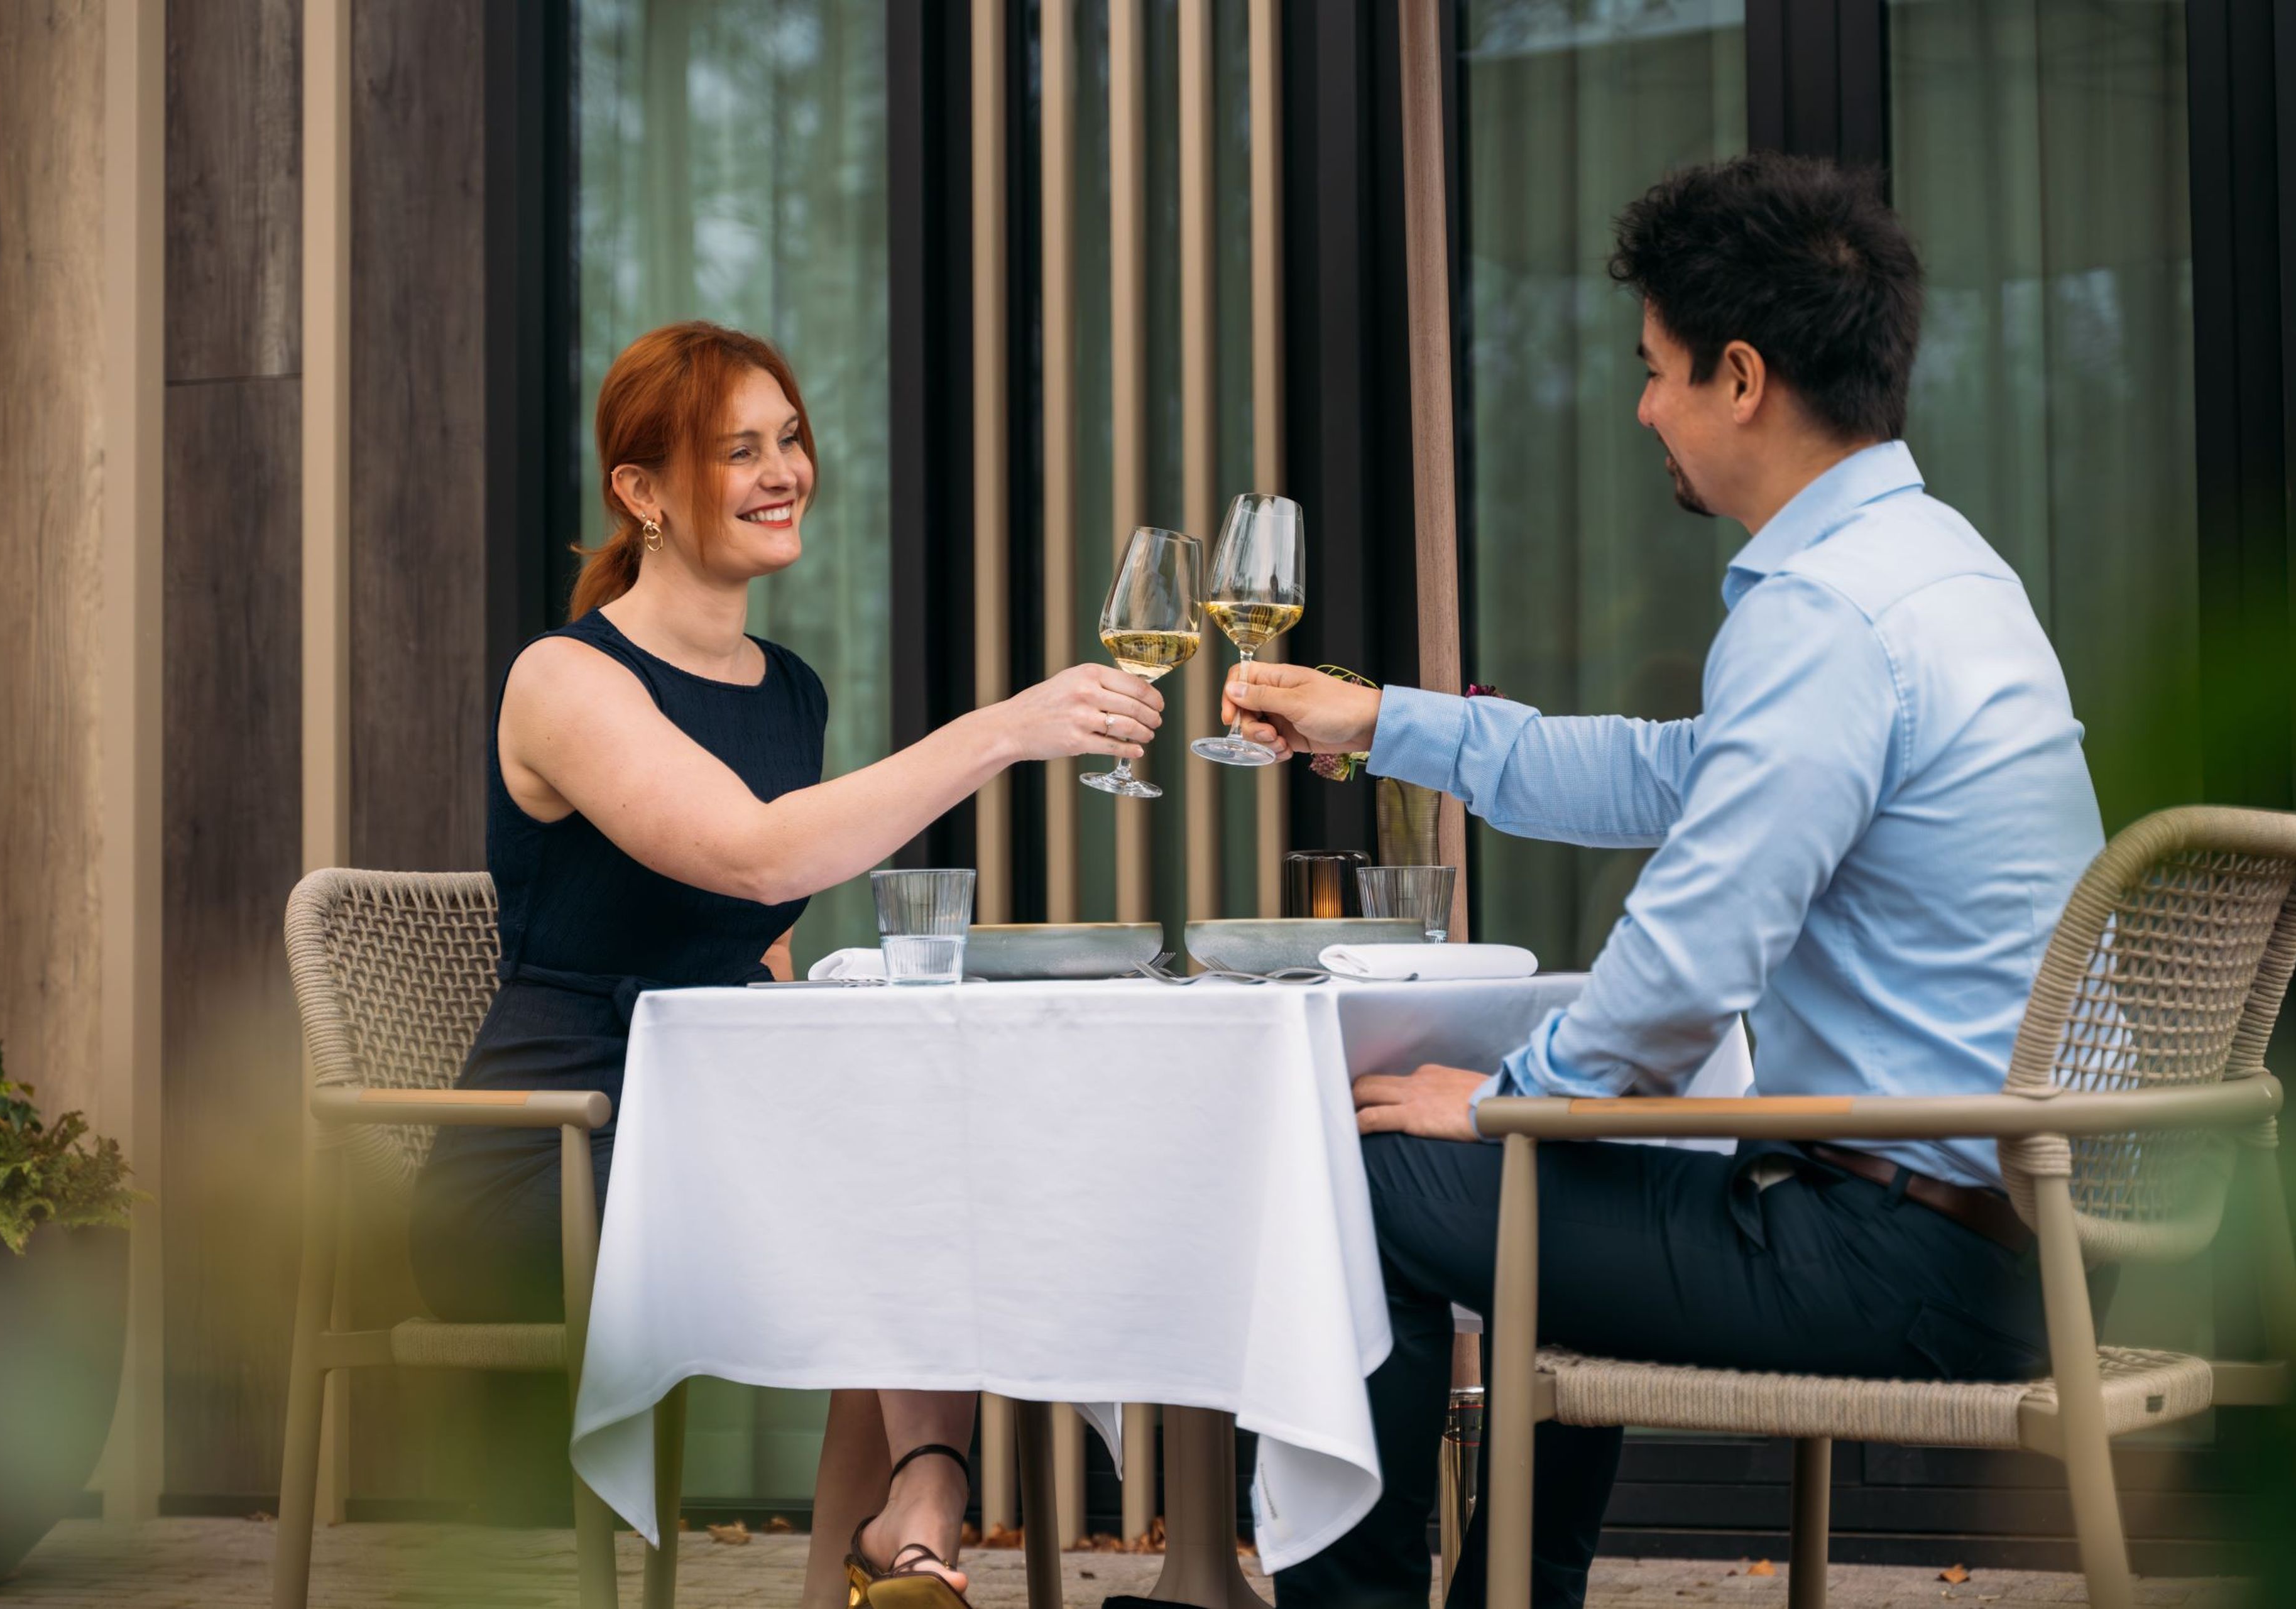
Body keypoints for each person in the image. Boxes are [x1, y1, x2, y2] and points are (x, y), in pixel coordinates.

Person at [1221, 153, 2107, 1608]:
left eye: (1656, 372)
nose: (1645, 409)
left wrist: (1509, 1103)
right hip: (2017, 1237)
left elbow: (1691, 964)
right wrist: (1380, 719)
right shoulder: (1940, 572)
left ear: (1741, 377)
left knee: (1361, 1178)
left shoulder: (1825, 614)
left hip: (1904, 1264)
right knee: (1576, 1157)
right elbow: (1664, 774)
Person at [407, 322, 1161, 1609]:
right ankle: (921, 1507)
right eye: (736, 450)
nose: (783, 470)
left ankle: (903, 1529)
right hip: (559, 1153)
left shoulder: (787, 690)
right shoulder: (565, 679)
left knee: (918, 1143)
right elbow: (753, 860)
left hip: (711, 1137)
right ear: (640, 493)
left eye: (790, 439)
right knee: (886, 1178)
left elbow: (760, 950)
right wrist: (1002, 731)